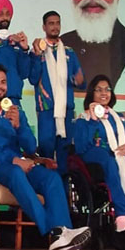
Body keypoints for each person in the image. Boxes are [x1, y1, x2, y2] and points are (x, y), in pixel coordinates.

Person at [0, 64, 91, 250]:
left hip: (20, 163)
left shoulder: (16, 111)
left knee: (50, 177)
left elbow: (31, 147)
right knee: (16, 172)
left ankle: (64, 234)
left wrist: (19, 127)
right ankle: (54, 231)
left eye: (3, 82)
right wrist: (15, 161)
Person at [73, 75, 125, 233]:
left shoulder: (118, 118)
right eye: (98, 90)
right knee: (109, 159)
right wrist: (92, 120)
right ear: (92, 93)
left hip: (117, 154)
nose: (103, 93)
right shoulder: (82, 118)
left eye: (107, 89)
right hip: (95, 157)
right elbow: (81, 147)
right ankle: (121, 215)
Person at [28, 11, 85, 174]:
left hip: (66, 109)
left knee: (65, 154)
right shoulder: (36, 52)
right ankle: (48, 192)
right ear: (44, 27)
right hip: (46, 109)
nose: (55, 26)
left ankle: (64, 194)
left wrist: (79, 81)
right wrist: (38, 56)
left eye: (57, 23)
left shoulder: (69, 52)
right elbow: (33, 79)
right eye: (51, 23)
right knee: (46, 150)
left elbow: (80, 81)